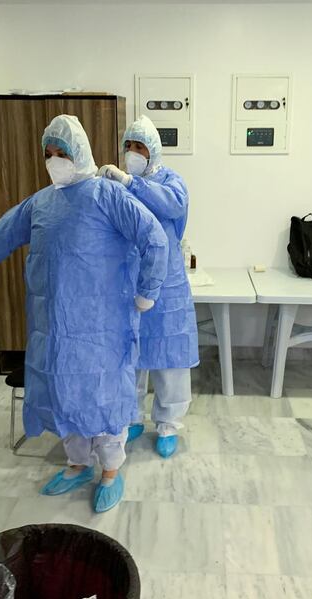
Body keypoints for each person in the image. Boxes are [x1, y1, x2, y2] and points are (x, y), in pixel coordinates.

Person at [0, 115, 168, 512]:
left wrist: (146, 292)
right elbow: (2, 234)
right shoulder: (41, 202)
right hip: (53, 324)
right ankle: (77, 462)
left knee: (102, 395)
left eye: (62, 153)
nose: (54, 161)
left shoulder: (107, 195)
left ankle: (111, 470)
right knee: (64, 394)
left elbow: (154, 238)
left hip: (101, 324)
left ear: (79, 153)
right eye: (48, 154)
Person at [98, 115, 198, 459]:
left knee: (170, 358)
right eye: (128, 147)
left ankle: (169, 424)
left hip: (167, 286)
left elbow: (173, 205)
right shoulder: (117, 185)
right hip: (128, 282)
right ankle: (131, 416)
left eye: (139, 147)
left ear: (153, 151)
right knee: (131, 356)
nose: (132, 153)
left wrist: (130, 183)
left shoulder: (171, 181)